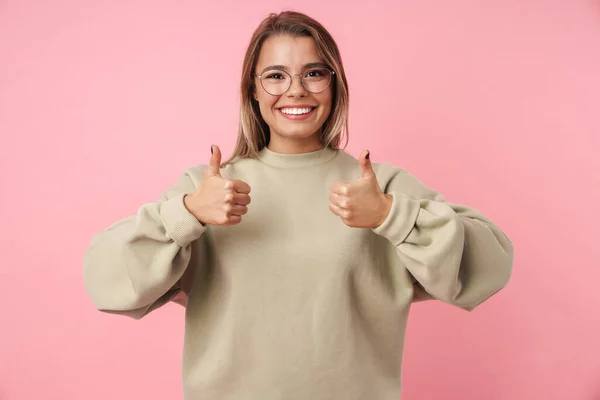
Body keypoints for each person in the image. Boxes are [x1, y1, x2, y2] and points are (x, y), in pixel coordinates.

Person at [83, 10, 514, 400]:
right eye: (275, 75)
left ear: (334, 83)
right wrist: (187, 213)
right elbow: (106, 281)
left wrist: (389, 216)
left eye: (314, 72)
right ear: (253, 90)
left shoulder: (379, 187)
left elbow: (490, 266)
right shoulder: (208, 188)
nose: (295, 90)